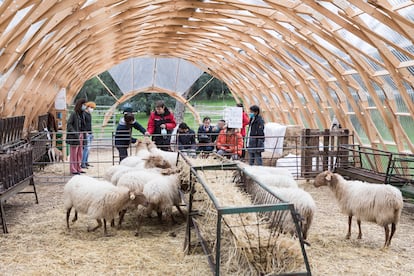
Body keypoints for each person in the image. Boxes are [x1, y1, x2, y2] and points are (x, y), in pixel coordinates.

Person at [66, 98, 87, 175]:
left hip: (81, 134)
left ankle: (78, 167)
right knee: (73, 153)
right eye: (84, 104)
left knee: (79, 153)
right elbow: (69, 124)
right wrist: (75, 132)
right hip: (75, 136)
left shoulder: (82, 114)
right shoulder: (74, 113)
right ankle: (73, 169)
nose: (85, 106)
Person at [81, 101, 96, 169]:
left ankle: (86, 162)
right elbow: (83, 124)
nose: (92, 109)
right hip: (86, 133)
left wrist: (92, 132)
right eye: (91, 107)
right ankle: (83, 162)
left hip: (89, 133)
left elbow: (89, 124)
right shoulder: (84, 114)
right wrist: (85, 132)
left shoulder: (89, 114)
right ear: (88, 107)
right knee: (86, 148)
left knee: (88, 149)